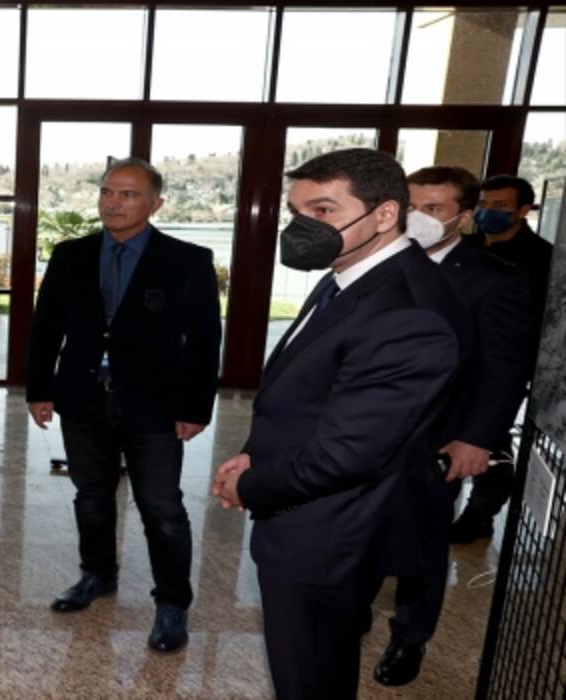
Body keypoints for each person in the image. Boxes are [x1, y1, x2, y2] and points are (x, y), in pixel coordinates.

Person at [212, 149, 470, 699]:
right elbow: (312, 392)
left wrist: (250, 484)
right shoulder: (356, 275)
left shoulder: (408, 312)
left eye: (324, 210)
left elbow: (345, 454)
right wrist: (258, 451)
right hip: (317, 514)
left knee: (311, 679)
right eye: (297, 211)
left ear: (384, 214)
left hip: (332, 530)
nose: (305, 226)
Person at [26, 158, 221, 653]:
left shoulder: (188, 260)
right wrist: (39, 389)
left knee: (162, 506)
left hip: (154, 403)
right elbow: (46, 326)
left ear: (155, 203)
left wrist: (196, 407)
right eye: (108, 192)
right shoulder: (70, 255)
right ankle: (97, 575)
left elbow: (203, 340)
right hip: (83, 397)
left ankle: (172, 602)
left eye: (129, 195)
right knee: (90, 495)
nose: (114, 202)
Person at [364, 166, 539, 686]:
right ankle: (352, 610)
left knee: (421, 542)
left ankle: (409, 638)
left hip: (439, 438)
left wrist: (479, 439)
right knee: (361, 530)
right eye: (412, 205)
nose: (419, 218)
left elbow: (505, 369)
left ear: (464, 216)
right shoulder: (378, 263)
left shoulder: (495, 279)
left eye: (435, 209)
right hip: (367, 433)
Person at [451, 173, 553, 543]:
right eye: (483, 205)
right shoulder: (467, 249)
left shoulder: (545, 259)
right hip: (457, 365)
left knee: (489, 439)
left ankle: (479, 515)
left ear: (524, 210)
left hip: (504, 367)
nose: (489, 213)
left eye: (500, 206)